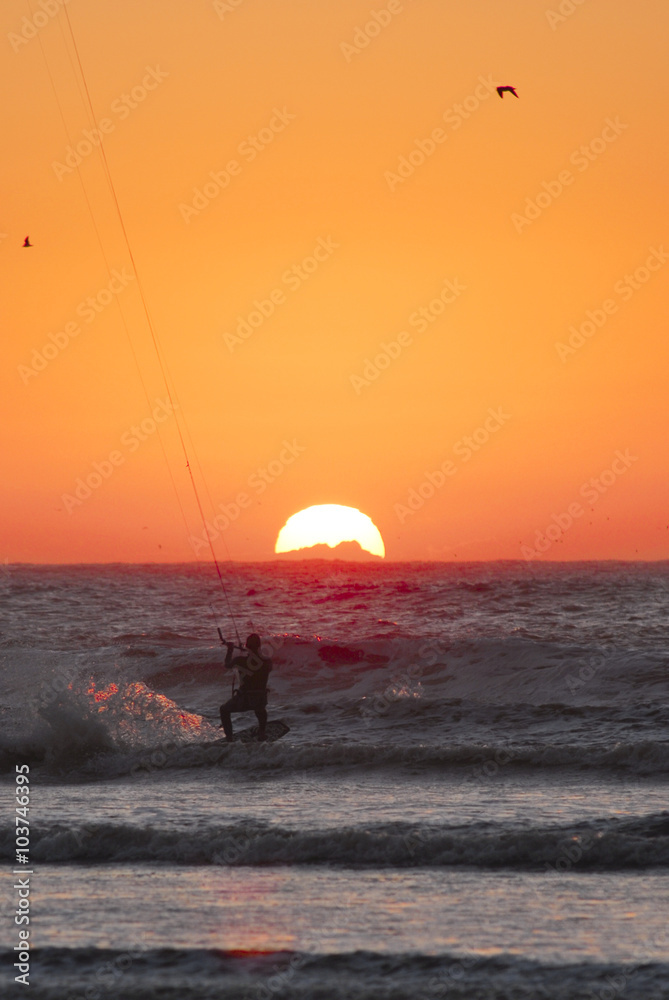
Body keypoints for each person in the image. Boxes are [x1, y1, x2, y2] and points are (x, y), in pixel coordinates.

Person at [219, 633, 272, 742]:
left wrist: (230, 650)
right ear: (259, 646)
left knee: (223, 710)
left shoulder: (240, 661)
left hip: (244, 700)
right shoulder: (268, 662)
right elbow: (258, 661)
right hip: (260, 700)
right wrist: (251, 653)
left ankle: (229, 738)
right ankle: (262, 732)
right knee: (260, 708)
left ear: (247, 646)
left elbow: (227, 665)